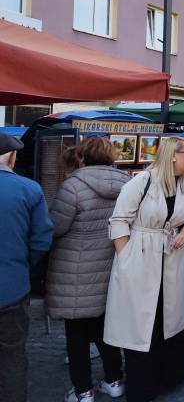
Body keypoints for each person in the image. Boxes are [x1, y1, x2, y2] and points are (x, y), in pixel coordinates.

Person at [104, 137, 184, 402]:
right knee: (143, 323)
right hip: (141, 259)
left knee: (168, 321)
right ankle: (142, 386)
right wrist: (126, 258)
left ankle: (168, 377)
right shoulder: (140, 183)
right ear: (173, 155)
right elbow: (119, 221)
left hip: (172, 260)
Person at [47, 137, 129, 402]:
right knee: (107, 329)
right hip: (111, 266)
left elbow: (55, 227)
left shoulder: (73, 186)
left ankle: (83, 391)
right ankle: (114, 380)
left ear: (83, 156)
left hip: (75, 271)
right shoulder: (127, 183)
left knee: (76, 336)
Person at [0, 134, 53, 402]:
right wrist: (23, 264)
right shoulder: (30, 189)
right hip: (12, 287)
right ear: (11, 157)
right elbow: (41, 240)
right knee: (12, 357)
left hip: (13, 283)